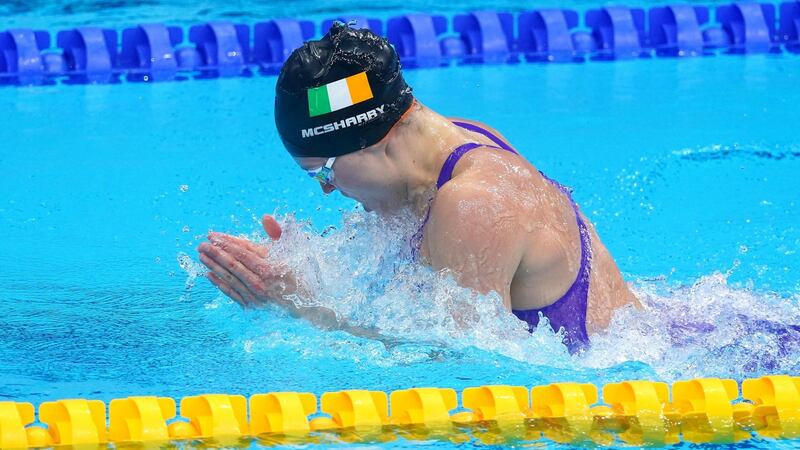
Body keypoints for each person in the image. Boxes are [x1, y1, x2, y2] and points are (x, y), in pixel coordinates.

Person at [197, 23, 639, 351]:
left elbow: (461, 368)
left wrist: (301, 307)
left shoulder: (473, 202)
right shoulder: (455, 143)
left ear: (371, 140)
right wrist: (300, 270)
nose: (327, 191)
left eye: (324, 172)